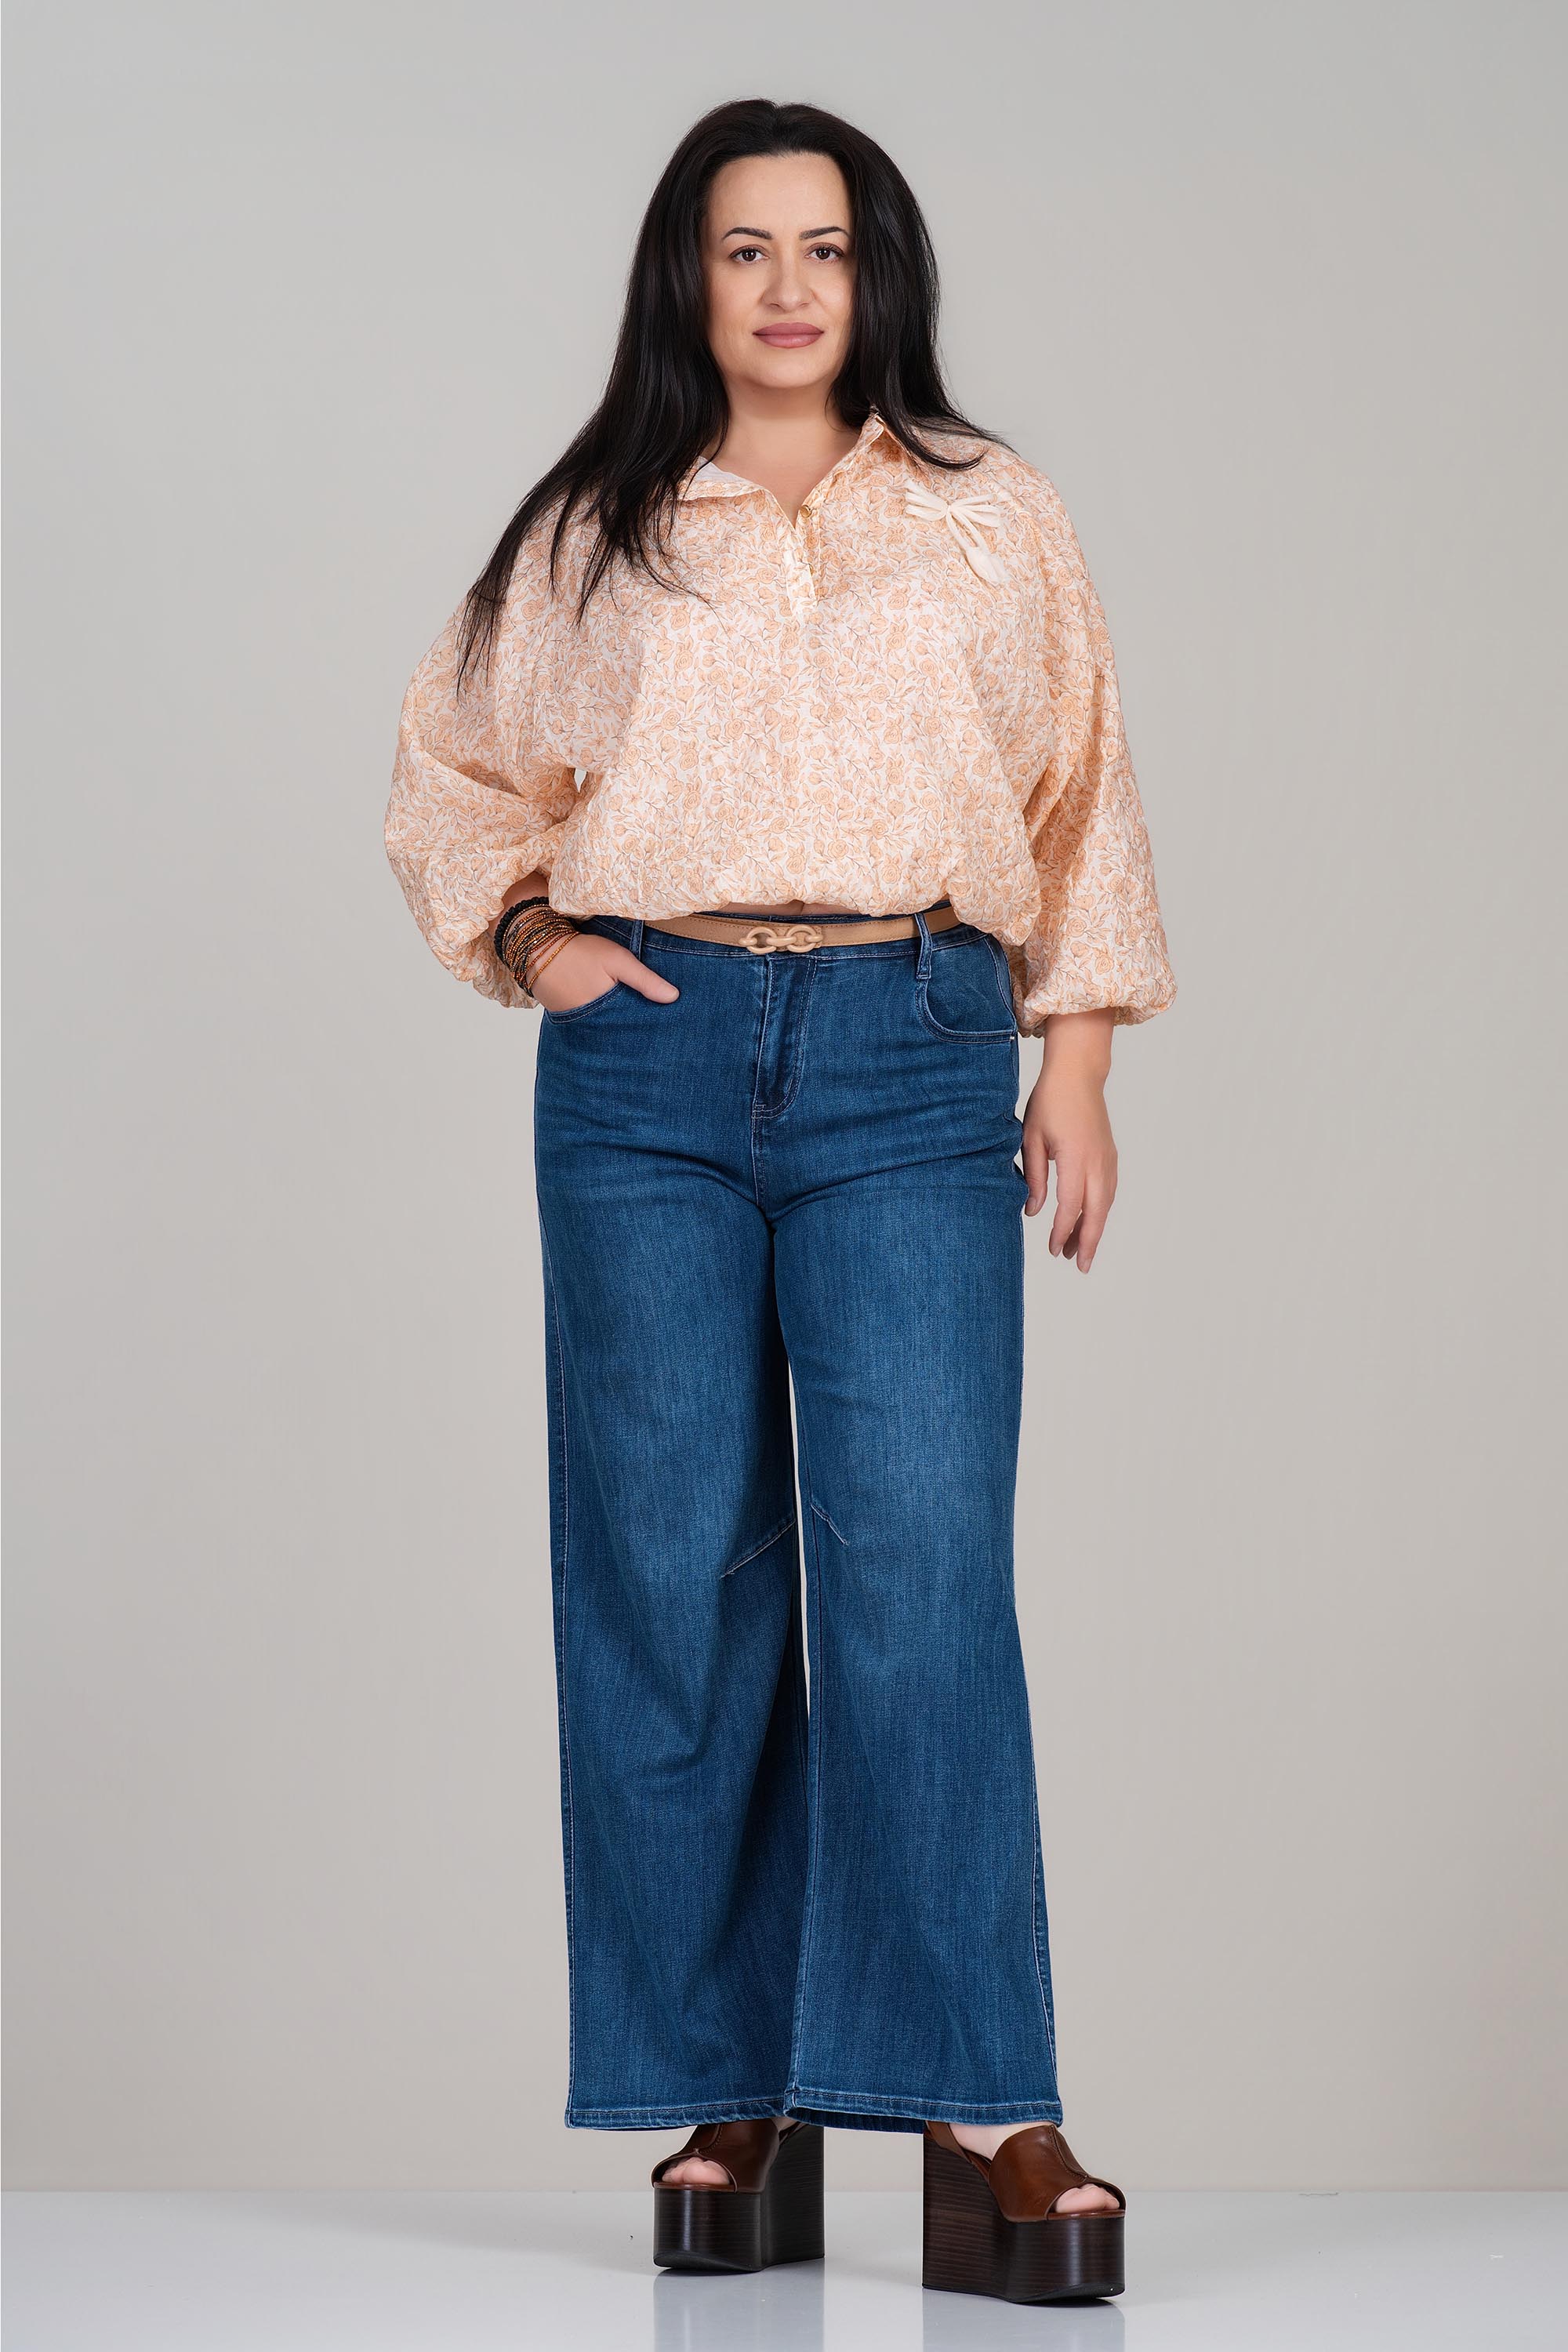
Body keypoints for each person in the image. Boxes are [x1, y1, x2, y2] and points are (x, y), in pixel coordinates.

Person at [385, 96, 1173, 2306]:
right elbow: (452, 773)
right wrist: (535, 941)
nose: (790, 287)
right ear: (689, 277)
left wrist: (1076, 1057)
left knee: (921, 1570)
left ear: (878, 271)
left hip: (914, 1043)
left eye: (825, 247)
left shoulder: (991, 516)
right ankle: (730, 2093)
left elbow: (1080, 786)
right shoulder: (600, 530)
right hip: (646, 1063)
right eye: (746, 249)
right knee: (671, 1569)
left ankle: (979, 2105)